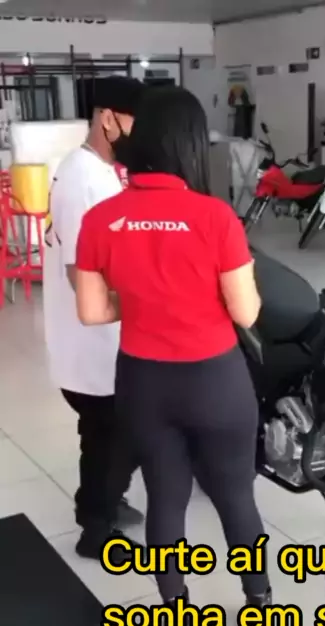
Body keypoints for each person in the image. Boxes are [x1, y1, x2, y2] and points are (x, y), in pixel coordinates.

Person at [74, 86, 272, 626]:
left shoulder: (102, 219)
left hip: (144, 382)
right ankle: (259, 610)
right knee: (236, 497)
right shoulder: (215, 217)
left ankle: (178, 620)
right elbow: (246, 313)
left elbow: (91, 311)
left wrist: (143, 301)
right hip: (216, 381)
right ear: (190, 144)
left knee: (166, 498)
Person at [43, 76, 145, 559]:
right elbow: (78, 274)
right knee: (107, 436)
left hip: (102, 338)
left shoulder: (101, 171)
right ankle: (96, 531)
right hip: (90, 343)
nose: (141, 132)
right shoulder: (82, 178)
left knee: (112, 433)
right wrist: (145, 302)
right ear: (108, 119)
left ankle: (105, 501)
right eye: (135, 120)